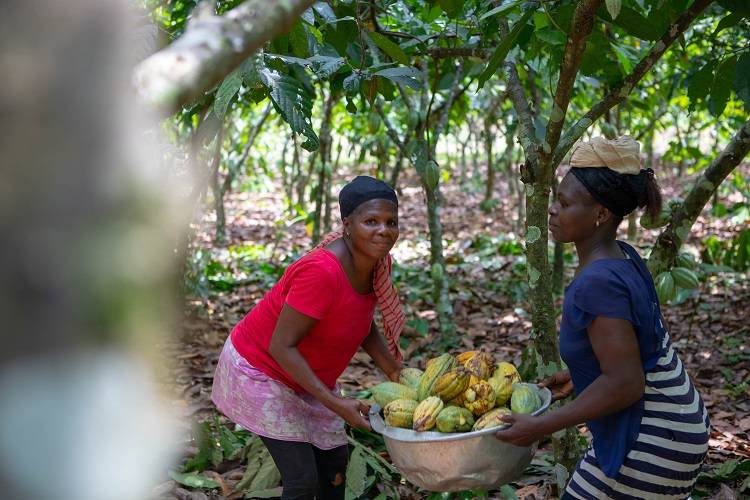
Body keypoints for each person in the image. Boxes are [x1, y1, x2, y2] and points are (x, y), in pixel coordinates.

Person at [496, 136, 710, 499]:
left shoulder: (597, 281)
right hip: (678, 418)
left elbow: (626, 382)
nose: (552, 211)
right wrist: (582, 376)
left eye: (564, 204)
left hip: (654, 433)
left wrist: (540, 426)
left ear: (601, 214)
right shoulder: (623, 257)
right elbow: (631, 346)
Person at [211, 175, 404, 500]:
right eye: (371, 221)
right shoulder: (322, 272)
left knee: (334, 468)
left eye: (391, 222)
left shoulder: (377, 263)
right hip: (262, 371)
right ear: (347, 224)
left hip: (306, 375)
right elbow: (280, 346)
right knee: (302, 480)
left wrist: (397, 374)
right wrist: (337, 404)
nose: (383, 231)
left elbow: (361, 321)